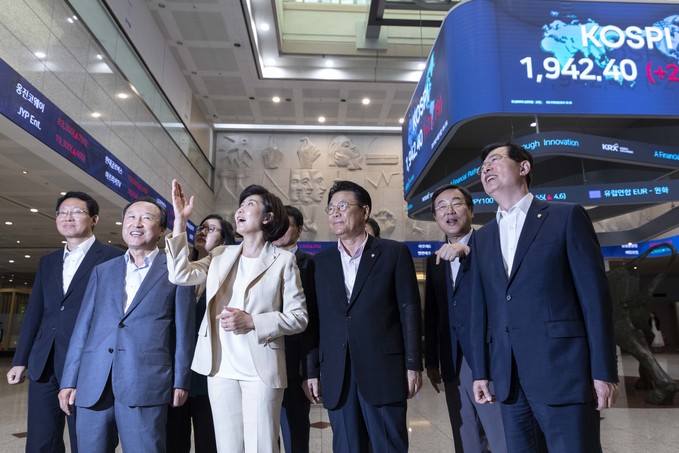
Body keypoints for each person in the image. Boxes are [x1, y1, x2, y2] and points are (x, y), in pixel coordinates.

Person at [470, 143, 619, 452]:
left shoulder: (565, 217)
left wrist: (604, 371)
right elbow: (481, 310)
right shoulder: (482, 237)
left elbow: (594, 298)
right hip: (509, 381)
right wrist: (481, 372)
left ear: (524, 167)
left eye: (494, 160)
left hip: (563, 373)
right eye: (482, 167)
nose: (486, 169)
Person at [166, 180, 308, 453]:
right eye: (240, 205)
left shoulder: (283, 261)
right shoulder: (221, 254)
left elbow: (299, 317)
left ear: (267, 217)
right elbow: (180, 275)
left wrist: (252, 321)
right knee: (228, 447)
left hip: (261, 370)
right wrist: (180, 222)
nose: (240, 210)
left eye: (250, 204)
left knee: (262, 446)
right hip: (220, 369)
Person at [58, 196, 195, 453]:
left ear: (161, 229)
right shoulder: (102, 271)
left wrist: (181, 381)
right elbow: (83, 329)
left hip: (145, 383)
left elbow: (184, 332)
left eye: (147, 218)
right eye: (131, 217)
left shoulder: (176, 271)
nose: (137, 223)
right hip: (94, 382)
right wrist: (69, 379)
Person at [304, 180, 422, 453]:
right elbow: (314, 321)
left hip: (384, 369)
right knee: (346, 446)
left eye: (343, 206)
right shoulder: (319, 263)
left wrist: (413, 364)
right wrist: (311, 371)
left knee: (388, 446)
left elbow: (409, 310)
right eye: (331, 208)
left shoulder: (393, 253)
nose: (335, 213)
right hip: (338, 373)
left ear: (365, 211)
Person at [7, 191, 122, 453]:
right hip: (44, 362)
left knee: (87, 439)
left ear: (94, 219)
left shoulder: (113, 258)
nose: (68, 217)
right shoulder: (48, 261)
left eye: (77, 212)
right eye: (63, 212)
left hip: (88, 363)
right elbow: (35, 312)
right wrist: (20, 359)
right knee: (40, 440)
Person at [424, 184, 507, 453]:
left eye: (456, 203)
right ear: (436, 217)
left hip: (489, 358)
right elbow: (432, 315)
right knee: (467, 440)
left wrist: (469, 251)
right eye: (441, 207)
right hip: (453, 360)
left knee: (502, 438)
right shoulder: (435, 261)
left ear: (471, 211)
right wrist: (432, 361)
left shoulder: (494, 244)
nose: (449, 211)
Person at [166, 215, 235, 453]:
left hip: (211, 371)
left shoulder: (229, 272)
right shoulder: (178, 268)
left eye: (211, 229)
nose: (202, 232)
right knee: (174, 440)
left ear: (224, 239)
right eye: (201, 228)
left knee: (209, 440)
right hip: (177, 370)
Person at [272, 205, 317, 453]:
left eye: (286, 225)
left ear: (299, 230)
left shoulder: (310, 265)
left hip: (294, 365)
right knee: (265, 437)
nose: (279, 230)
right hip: (263, 362)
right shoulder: (259, 263)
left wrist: (309, 368)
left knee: (295, 433)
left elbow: (313, 321)